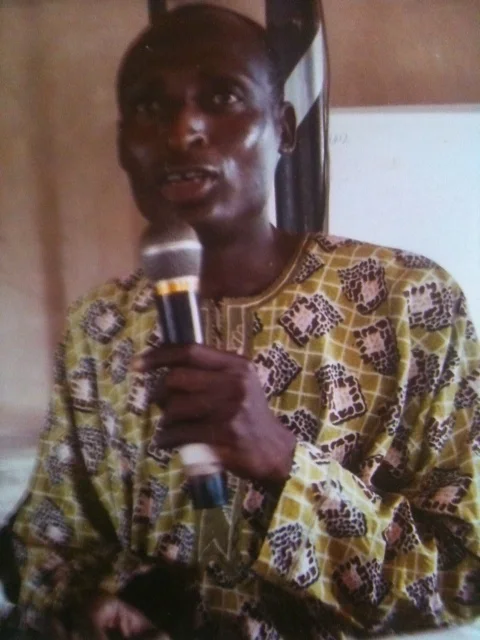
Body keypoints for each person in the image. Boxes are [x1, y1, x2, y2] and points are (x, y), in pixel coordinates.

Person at [5, 4, 480, 638]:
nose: (182, 130)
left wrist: (284, 461)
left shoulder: (410, 302)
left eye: (223, 96)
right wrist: (89, 609)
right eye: (149, 107)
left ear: (282, 128)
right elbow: (47, 547)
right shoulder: (98, 326)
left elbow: (465, 573)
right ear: (123, 147)